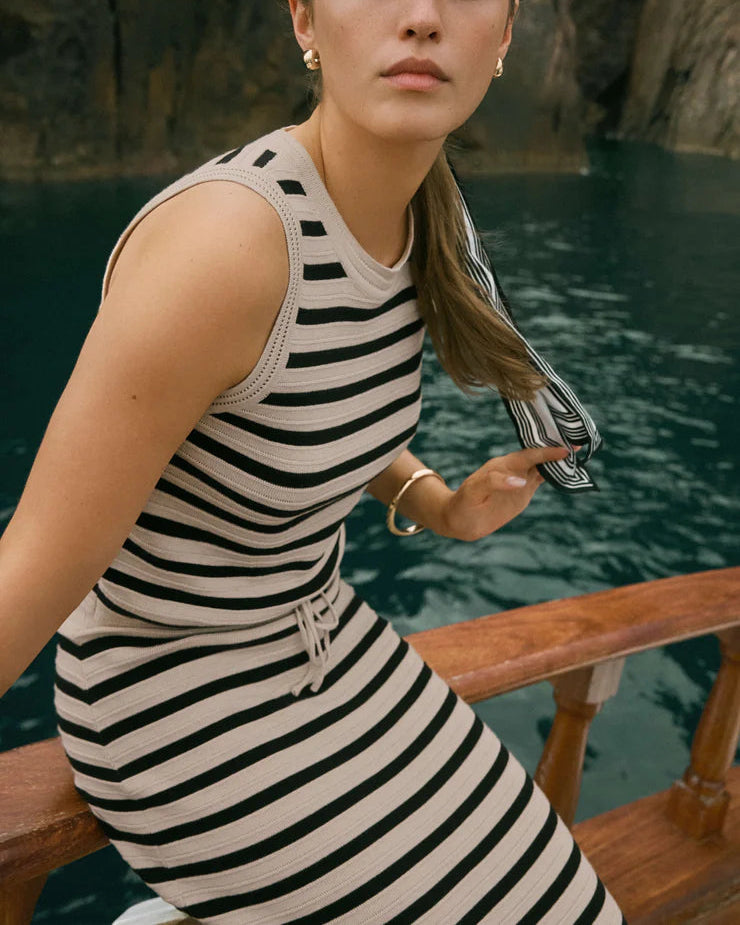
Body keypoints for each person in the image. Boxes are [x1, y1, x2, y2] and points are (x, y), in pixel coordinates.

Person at [0, 0, 625, 921]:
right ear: (304, 17)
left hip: (329, 641)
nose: (420, 17)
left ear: (503, 40)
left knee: (576, 906)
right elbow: (32, 566)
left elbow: (296, 405)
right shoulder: (228, 244)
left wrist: (435, 499)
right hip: (176, 694)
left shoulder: (418, 225)